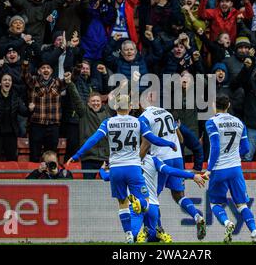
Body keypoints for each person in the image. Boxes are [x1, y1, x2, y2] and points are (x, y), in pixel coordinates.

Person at [67, 94, 177, 243]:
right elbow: (152, 139)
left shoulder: (108, 122)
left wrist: (77, 155)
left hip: (116, 169)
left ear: (115, 107)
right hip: (133, 167)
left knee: (122, 204)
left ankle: (129, 235)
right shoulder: (138, 122)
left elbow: (93, 139)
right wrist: (169, 144)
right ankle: (137, 202)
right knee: (145, 201)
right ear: (131, 107)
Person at [139, 92, 207, 240]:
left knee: (150, 198)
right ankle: (196, 216)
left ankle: (157, 230)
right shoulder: (167, 114)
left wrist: (138, 162)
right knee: (178, 196)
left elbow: (146, 143)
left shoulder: (144, 118)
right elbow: (181, 138)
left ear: (141, 104)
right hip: (177, 158)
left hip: (161, 159)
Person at [100, 155, 205, 243]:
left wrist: (102, 169)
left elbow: (105, 177)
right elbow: (169, 170)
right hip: (152, 205)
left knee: (132, 236)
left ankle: (142, 232)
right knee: (153, 238)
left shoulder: (124, 163)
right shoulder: (154, 160)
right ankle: (154, 231)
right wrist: (192, 176)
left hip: (134, 206)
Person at [203, 94, 256, 244]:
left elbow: (215, 147)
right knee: (242, 204)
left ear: (215, 106)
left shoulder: (211, 122)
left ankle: (227, 223)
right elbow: (246, 148)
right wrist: (234, 155)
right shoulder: (239, 123)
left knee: (215, 203)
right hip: (235, 168)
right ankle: (254, 232)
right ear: (228, 105)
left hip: (218, 169)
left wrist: (209, 169)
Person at [65, 73, 113, 179]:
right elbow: (76, 98)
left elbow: (122, 97)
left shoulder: (108, 112)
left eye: (97, 101)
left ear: (102, 102)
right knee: (88, 186)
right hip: (88, 157)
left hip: (105, 157)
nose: (95, 103)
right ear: (88, 103)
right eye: (93, 101)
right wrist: (69, 83)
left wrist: (132, 82)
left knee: (107, 187)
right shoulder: (83, 112)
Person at [22, 60, 68, 162]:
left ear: (51, 71)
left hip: (53, 125)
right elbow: (25, 75)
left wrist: (76, 69)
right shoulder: (33, 81)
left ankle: (50, 176)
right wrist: (25, 65)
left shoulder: (58, 82)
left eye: (48, 68)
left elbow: (71, 79)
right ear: (39, 71)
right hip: (37, 124)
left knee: (51, 156)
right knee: (34, 155)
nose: (46, 70)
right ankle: (34, 176)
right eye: (43, 68)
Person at [0, 73, 30, 161]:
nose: (7, 82)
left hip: (11, 133)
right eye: (5, 80)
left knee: (12, 160)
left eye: (9, 80)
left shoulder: (15, 97)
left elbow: (24, 113)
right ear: (0, 83)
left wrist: (30, 109)